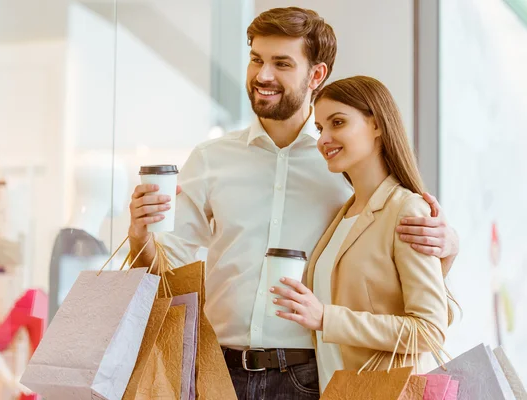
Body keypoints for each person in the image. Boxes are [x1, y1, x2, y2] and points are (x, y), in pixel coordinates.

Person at [128, 7, 459, 400]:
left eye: (281, 63)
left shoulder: (341, 164)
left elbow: (397, 266)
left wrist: (449, 243)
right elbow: (167, 270)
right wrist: (138, 236)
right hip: (216, 372)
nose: (263, 75)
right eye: (256, 60)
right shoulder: (211, 159)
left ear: (316, 74)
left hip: (311, 376)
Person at [272, 76, 454, 393]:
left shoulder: (406, 210)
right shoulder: (344, 214)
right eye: (319, 128)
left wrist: (326, 318)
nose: (323, 139)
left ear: (377, 125)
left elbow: (428, 330)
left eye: (337, 123)